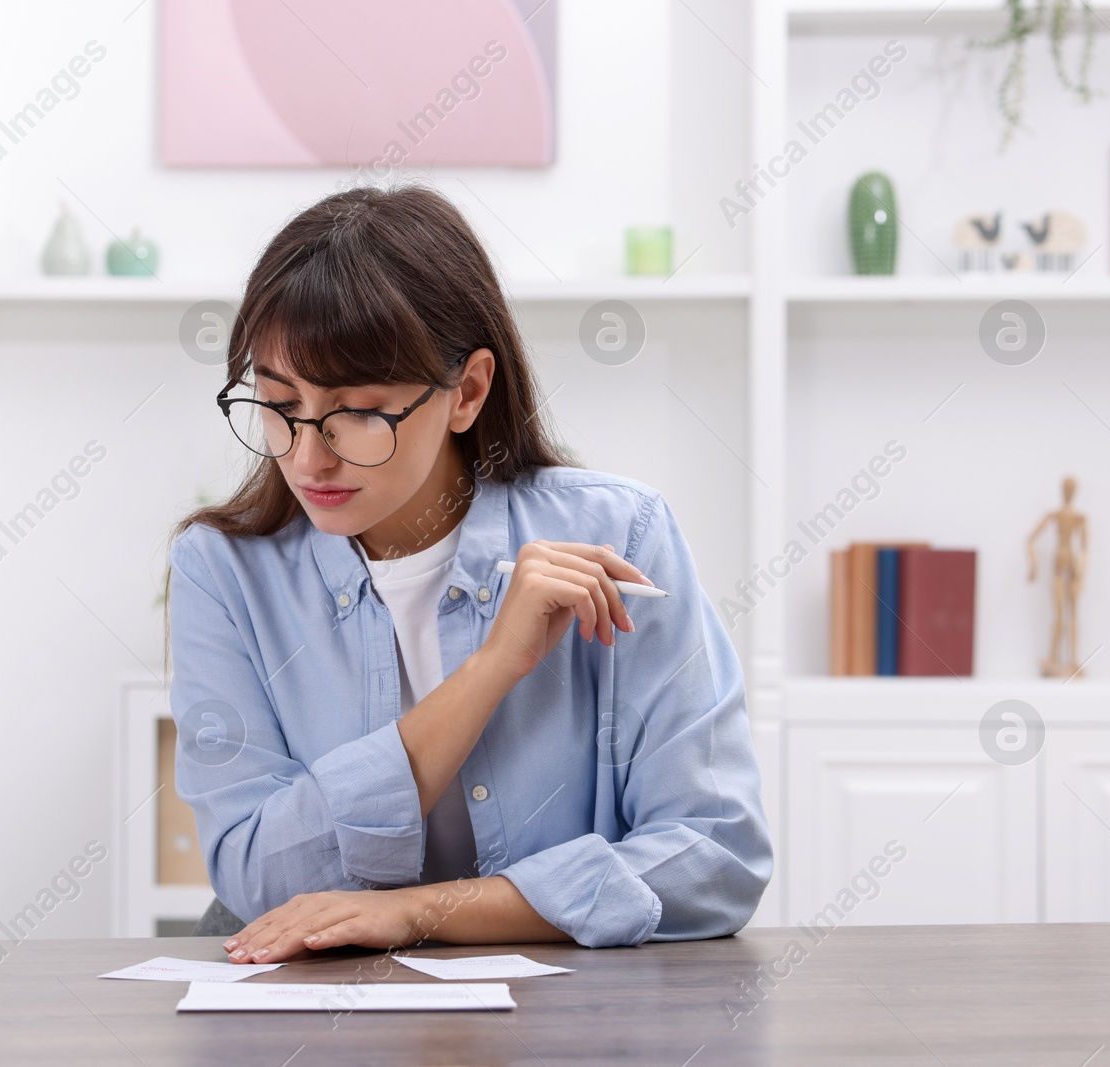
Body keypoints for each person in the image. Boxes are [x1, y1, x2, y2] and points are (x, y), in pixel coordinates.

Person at [163, 184, 770, 964]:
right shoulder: (223, 572)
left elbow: (715, 855)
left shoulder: (621, 536)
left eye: (357, 411)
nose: (308, 456)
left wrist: (423, 910)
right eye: (279, 404)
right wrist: (489, 670)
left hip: (557, 1017)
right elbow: (259, 877)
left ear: (468, 392)